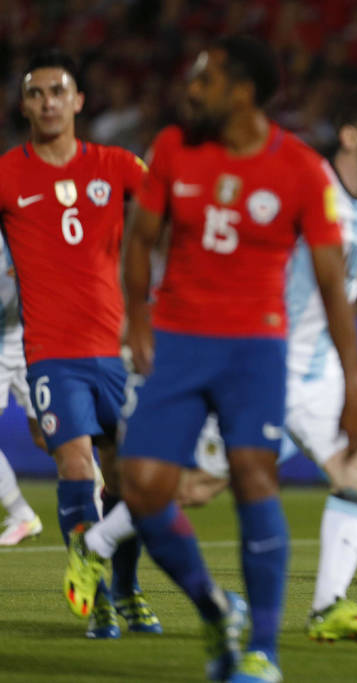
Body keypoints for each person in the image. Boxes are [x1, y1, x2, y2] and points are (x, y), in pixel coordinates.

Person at [64, 36, 357, 683]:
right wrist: (140, 316)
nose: (191, 88)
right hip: (176, 341)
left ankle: (263, 650)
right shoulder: (174, 148)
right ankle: (213, 606)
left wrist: (355, 385)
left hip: (255, 349)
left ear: (242, 91)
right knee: (144, 488)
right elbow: (140, 240)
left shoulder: (302, 171)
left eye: (205, 78)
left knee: (255, 479)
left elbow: (335, 287)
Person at [176, 84, 357, 641]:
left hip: (316, 371)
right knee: (191, 489)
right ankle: (98, 544)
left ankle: (328, 608)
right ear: (351, 136)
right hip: (258, 360)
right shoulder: (303, 183)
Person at [0, 49, 160, 637]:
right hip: (50, 353)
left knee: (126, 479)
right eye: (36, 93)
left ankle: (127, 591)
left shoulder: (116, 164)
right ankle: (93, 596)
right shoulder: (7, 174)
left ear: (78, 102)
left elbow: (167, 212)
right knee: (76, 463)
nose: (47, 102)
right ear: (23, 105)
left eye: (57, 91)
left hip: (113, 351)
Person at [0, 233, 45, 546]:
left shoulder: (17, 232)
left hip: (25, 341)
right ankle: (20, 514)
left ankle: (100, 499)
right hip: (14, 342)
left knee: (51, 435)